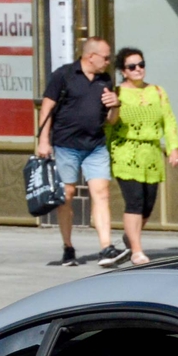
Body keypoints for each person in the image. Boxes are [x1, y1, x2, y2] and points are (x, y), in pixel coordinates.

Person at [34, 36, 122, 268]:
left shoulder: (105, 79)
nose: (108, 61)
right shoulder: (63, 75)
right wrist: (43, 141)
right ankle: (68, 247)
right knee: (67, 196)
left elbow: (111, 121)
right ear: (90, 56)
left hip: (96, 145)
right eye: (105, 57)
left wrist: (115, 105)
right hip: (66, 145)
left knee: (101, 193)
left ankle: (106, 248)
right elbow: (46, 108)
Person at [105, 46, 178, 268]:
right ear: (123, 71)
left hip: (151, 154)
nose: (138, 69)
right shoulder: (117, 93)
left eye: (141, 65)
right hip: (125, 152)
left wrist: (173, 148)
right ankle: (137, 250)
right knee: (135, 201)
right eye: (132, 66)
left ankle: (131, 237)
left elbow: (169, 120)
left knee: (147, 205)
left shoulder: (157, 91)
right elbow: (109, 123)